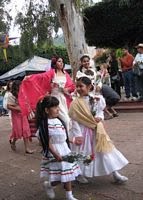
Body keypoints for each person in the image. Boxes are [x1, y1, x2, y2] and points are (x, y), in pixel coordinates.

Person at [69, 77, 128, 184]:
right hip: (83, 131)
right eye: (77, 86)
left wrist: (100, 117)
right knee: (83, 153)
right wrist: (78, 135)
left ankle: (115, 173)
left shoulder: (97, 99)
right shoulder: (75, 103)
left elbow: (100, 112)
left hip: (97, 130)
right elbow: (74, 120)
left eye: (81, 86)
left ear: (89, 87)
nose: (78, 88)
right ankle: (79, 174)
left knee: (106, 151)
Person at [36, 96, 81, 200]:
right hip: (55, 152)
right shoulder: (45, 125)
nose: (58, 109)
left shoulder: (59, 121)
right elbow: (46, 142)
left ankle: (69, 195)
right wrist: (55, 154)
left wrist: (73, 140)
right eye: (55, 107)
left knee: (68, 173)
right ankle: (49, 185)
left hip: (64, 149)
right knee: (59, 176)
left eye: (58, 106)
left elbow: (63, 136)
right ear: (47, 110)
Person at [18, 56, 75, 131]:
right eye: (59, 61)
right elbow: (41, 77)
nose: (61, 63)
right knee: (66, 119)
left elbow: (72, 86)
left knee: (70, 119)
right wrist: (30, 77)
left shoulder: (66, 74)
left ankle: (65, 137)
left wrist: (66, 89)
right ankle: (66, 138)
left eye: (62, 61)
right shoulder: (52, 73)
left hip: (65, 99)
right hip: (54, 99)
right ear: (55, 63)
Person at [7, 80, 34, 154]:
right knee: (18, 131)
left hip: (23, 114)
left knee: (26, 130)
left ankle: (27, 148)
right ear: (16, 86)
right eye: (20, 85)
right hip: (16, 115)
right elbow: (8, 106)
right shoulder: (11, 95)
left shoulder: (23, 93)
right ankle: (13, 141)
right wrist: (18, 108)